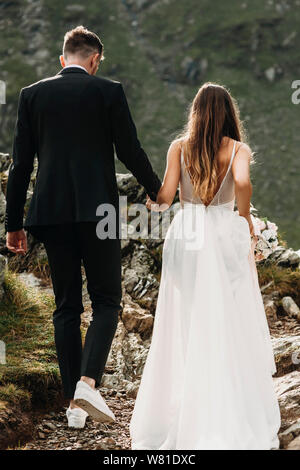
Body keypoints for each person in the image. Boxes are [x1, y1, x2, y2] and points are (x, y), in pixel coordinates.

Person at [5, 26, 161, 429]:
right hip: (100, 215)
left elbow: (20, 164)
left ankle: (73, 403)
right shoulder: (108, 92)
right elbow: (130, 149)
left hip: (51, 215)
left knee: (66, 307)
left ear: (63, 59)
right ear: (94, 60)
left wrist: (13, 224)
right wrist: (158, 190)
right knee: (107, 300)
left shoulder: (31, 94)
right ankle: (88, 383)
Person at [130, 82, 280, 450]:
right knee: (227, 318)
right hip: (223, 232)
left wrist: (151, 204)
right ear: (230, 112)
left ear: (195, 112)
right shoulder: (238, 149)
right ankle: (221, 401)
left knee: (187, 317)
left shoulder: (179, 148)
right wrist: (244, 219)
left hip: (188, 232)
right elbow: (242, 182)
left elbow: (165, 197)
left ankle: (186, 402)